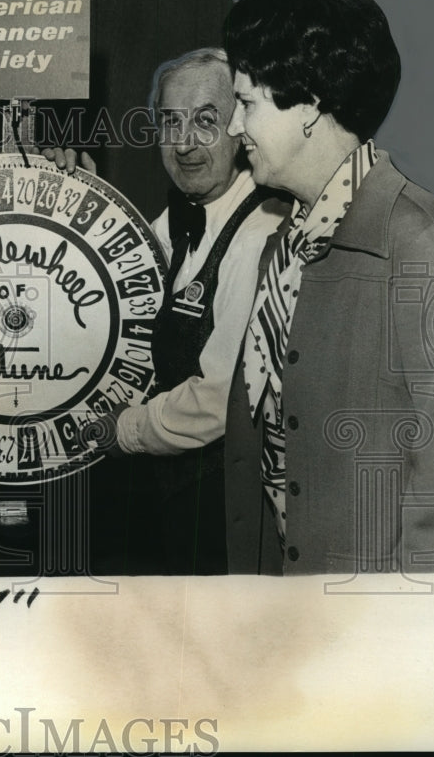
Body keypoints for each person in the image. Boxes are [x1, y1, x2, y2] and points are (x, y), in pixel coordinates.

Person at [222, 0, 434, 574]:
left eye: (246, 104)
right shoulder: (287, 239)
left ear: (311, 105)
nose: (231, 129)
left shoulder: (420, 242)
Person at [51, 49, 289, 575]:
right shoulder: (176, 220)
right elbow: (105, 295)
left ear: (242, 127)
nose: (184, 144)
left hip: (222, 509)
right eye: (170, 121)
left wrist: (124, 430)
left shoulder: (259, 235)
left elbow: (218, 399)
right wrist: (72, 203)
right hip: (162, 499)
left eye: (206, 121)